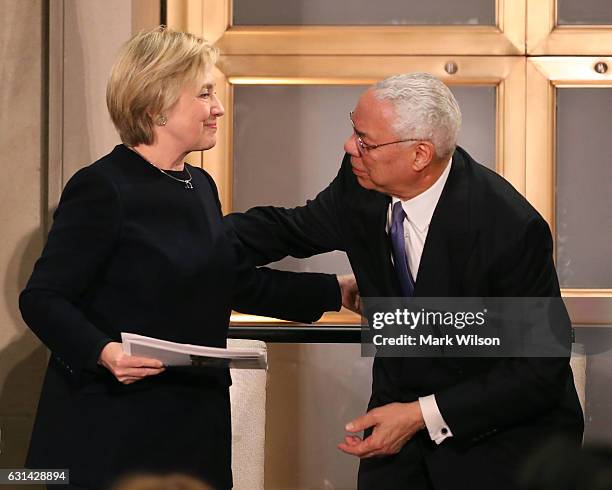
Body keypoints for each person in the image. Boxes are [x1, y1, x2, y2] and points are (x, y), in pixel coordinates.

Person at [19, 26, 345, 490]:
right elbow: (43, 298)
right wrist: (104, 352)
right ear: (157, 105)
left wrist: (336, 291)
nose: (218, 107)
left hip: (193, 425)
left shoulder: (200, 186)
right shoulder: (103, 187)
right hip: (117, 425)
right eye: (205, 94)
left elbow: (226, 280)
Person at [226, 72, 584, 489]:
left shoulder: (508, 227)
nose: (349, 147)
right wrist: (190, 239)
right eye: (352, 130)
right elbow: (288, 230)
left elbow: (538, 370)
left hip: (501, 437)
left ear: (420, 155)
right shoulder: (359, 185)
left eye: (365, 140)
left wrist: (420, 415)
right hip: (397, 426)